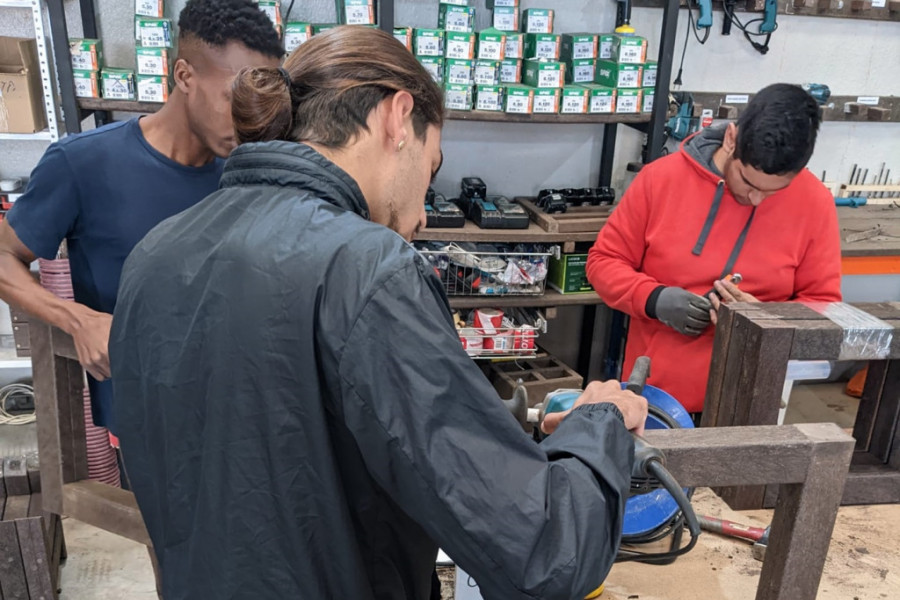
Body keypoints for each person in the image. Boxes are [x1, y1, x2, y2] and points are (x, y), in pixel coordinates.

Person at [110, 26, 649, 600]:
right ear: (398, 117)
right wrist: (600, 427)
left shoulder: (155, 252)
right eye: (432, 167)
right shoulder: (366, 268)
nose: (421, 213)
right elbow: (544, 555)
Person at [0, 0, 282, 434]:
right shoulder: (84, 163)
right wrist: (77, 319)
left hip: (241, 411)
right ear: (184, 76)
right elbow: (3, 256)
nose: (249, 117)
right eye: (234, 97)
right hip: (147, 418)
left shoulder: (250, 168)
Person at [586, 83, 842, 418]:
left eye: (773, 192)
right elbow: (603, 263)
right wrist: (655, 299)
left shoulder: (815, 203)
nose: (756, 200)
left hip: (752, 400)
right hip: (655, 401)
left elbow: (823, 305)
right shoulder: (659, 180)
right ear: (731, 138)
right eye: (748, 183)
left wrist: (767, 319)